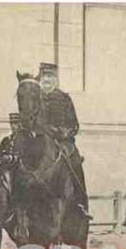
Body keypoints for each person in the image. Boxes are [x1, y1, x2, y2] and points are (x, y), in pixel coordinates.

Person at [36, 62, 91, 220]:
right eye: (44, 77)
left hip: (63, 142)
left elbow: (74, 124)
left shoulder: (64, 98)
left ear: (55, 80)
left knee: (75, 163)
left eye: (50, 77)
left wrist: (66, 132)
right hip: (41, 140)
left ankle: (81, 202)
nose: (47, 80)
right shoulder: (35, 97)